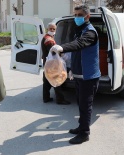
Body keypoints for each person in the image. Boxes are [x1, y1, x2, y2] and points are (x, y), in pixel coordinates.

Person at [51, 4, 100, 144]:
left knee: (85, 105)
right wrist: (72, 67)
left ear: (87, 16)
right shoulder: (79, 31)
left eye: (79, 15)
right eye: (75, 14)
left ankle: (84, 133)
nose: (76, 17)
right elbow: (76, 50)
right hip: (79, 74)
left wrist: (62, 47)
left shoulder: (90, 32)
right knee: (80, 103)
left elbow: (79, 44)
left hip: (88, 76)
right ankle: (81, 127)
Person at [41, 23, 70, 105]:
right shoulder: (49, 40)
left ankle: (46, 98)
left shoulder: (47, 37)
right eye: (51, 29)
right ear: (47, 29)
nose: (52, 30)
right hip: (52, 64)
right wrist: (63, 56)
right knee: (56, 80)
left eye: (54, 29)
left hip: (47, 63)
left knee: (46, 81)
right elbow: (54, 53)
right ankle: (60, 99)